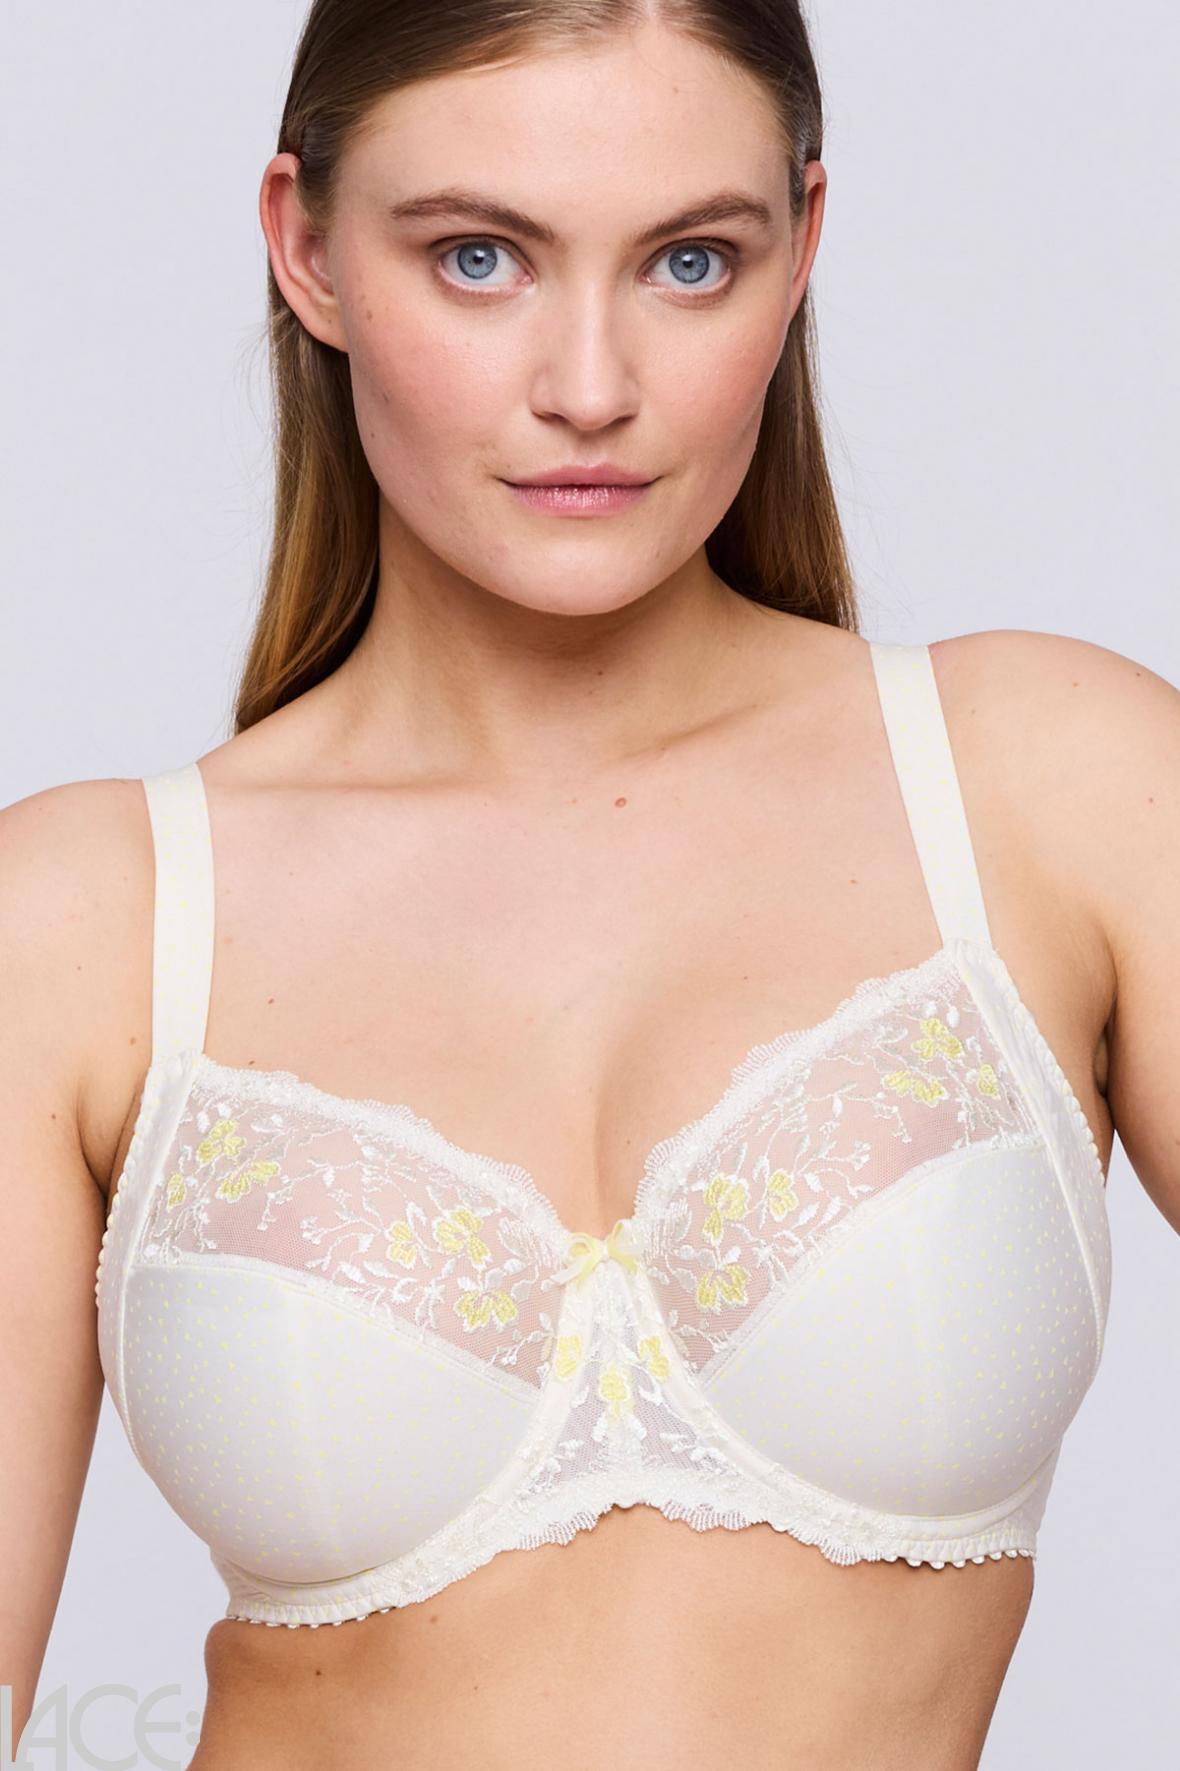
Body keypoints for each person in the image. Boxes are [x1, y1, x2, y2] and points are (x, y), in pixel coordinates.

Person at [3, 3, 1177, 1768]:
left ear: (801, 248)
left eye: (690, 262)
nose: (591, 386)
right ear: (306, 250)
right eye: (479, 258)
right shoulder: (82, 922)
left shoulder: (1053, 784)